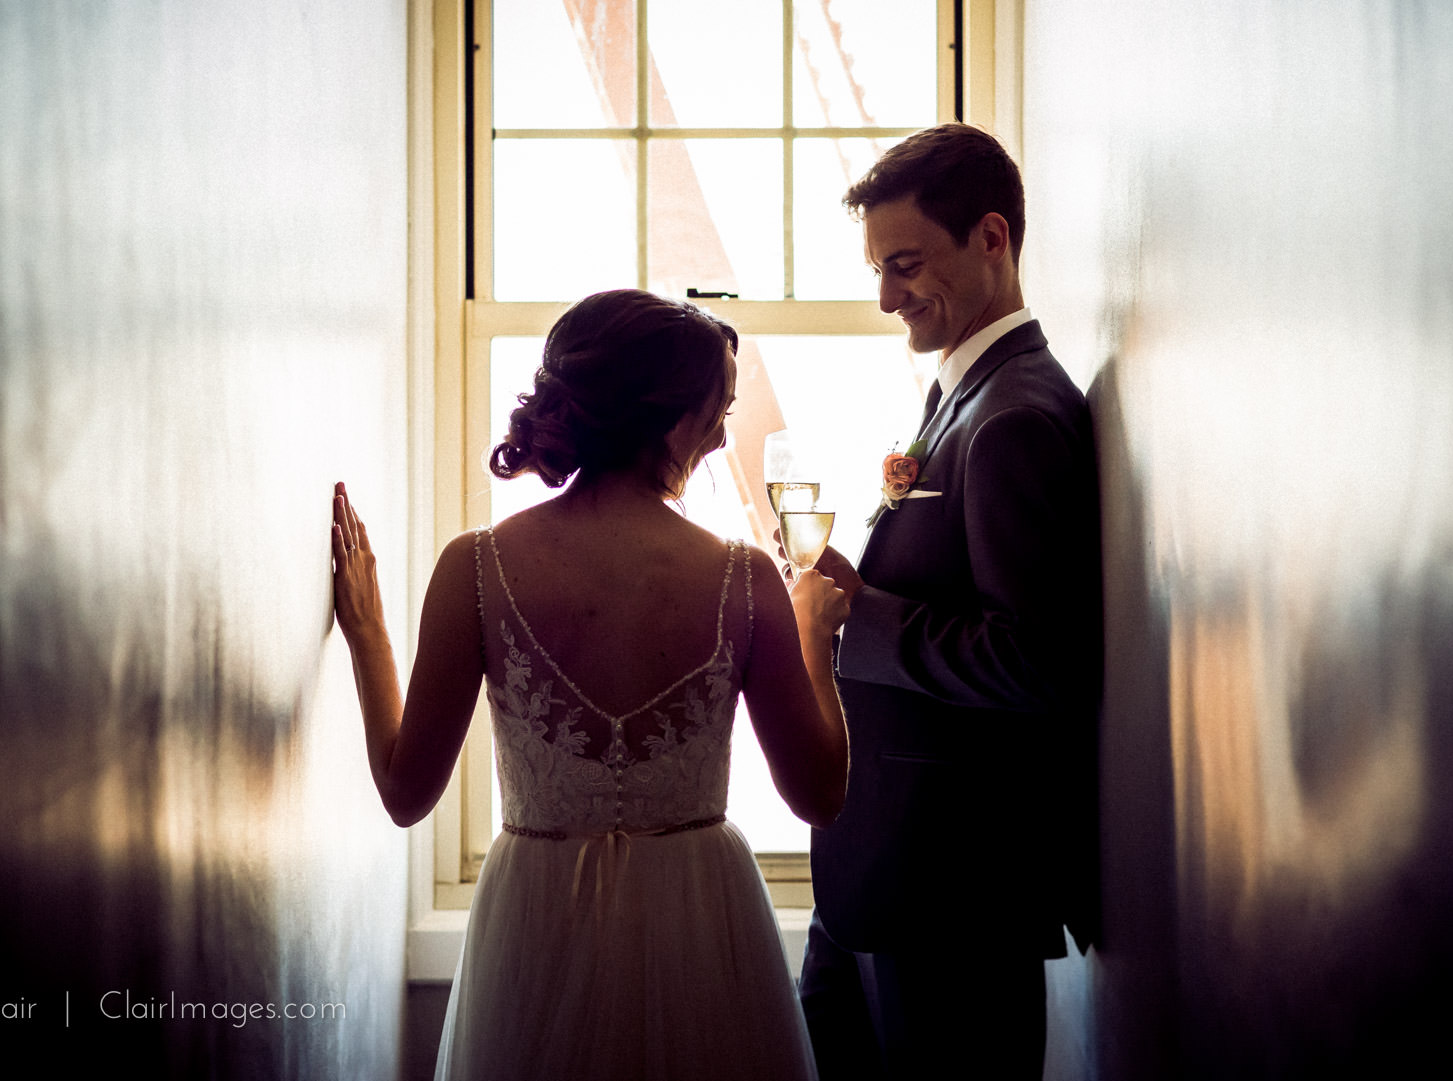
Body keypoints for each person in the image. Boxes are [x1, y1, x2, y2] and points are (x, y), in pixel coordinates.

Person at [330, 288, 850, 1081]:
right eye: (716, 413)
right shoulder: (746, 580)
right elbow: (821, 793)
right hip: (700, 922)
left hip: (535, 918)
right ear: (667, 417)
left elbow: (405, 793)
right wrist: (816, 632)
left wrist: (367, 633)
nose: (721, 435)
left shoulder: (476, 568)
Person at [795, 124, 1102, 1079]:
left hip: (949, 893)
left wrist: (859, 619)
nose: (888, 297)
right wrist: (857, 586)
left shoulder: (1015, 417)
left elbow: (1036, 660)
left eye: (906, 264)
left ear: (992, 238)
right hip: (882, 871)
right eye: (879, 270)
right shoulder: (965, 395)